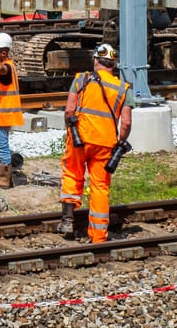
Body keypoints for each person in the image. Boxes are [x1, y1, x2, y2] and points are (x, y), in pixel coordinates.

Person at [58, 43, 132, 242]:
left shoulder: (81, 79)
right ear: (113, 65)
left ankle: (67, 220)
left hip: (79, 138)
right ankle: (98, 235)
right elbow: (125, 122)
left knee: (73, 173)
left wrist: (70, 126)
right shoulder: (123, 88)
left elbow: (69, 110)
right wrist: (121, 142)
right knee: (100, 186)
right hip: (106, 143)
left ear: (96, 61)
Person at [0, 32, 24, 189]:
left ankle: (4, 179)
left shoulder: (7, 68)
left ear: (3, 52)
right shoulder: (9, 67)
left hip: (3, 115)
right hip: (1, 114)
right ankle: (6, 173)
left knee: (1, 145)